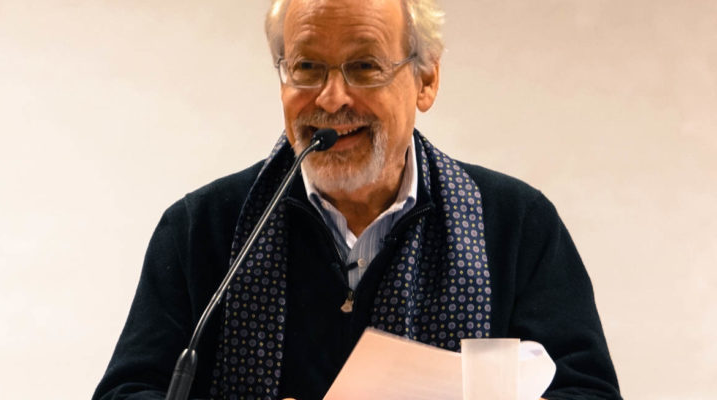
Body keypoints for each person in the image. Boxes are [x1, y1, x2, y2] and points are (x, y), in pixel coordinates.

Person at [93, 0, 622, 399]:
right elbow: (128, 391)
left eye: (364, 66)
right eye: (307, 67)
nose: (331, 98)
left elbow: (587, 391)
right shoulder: (202, 227)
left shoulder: (516, 224)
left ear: (426, 79)